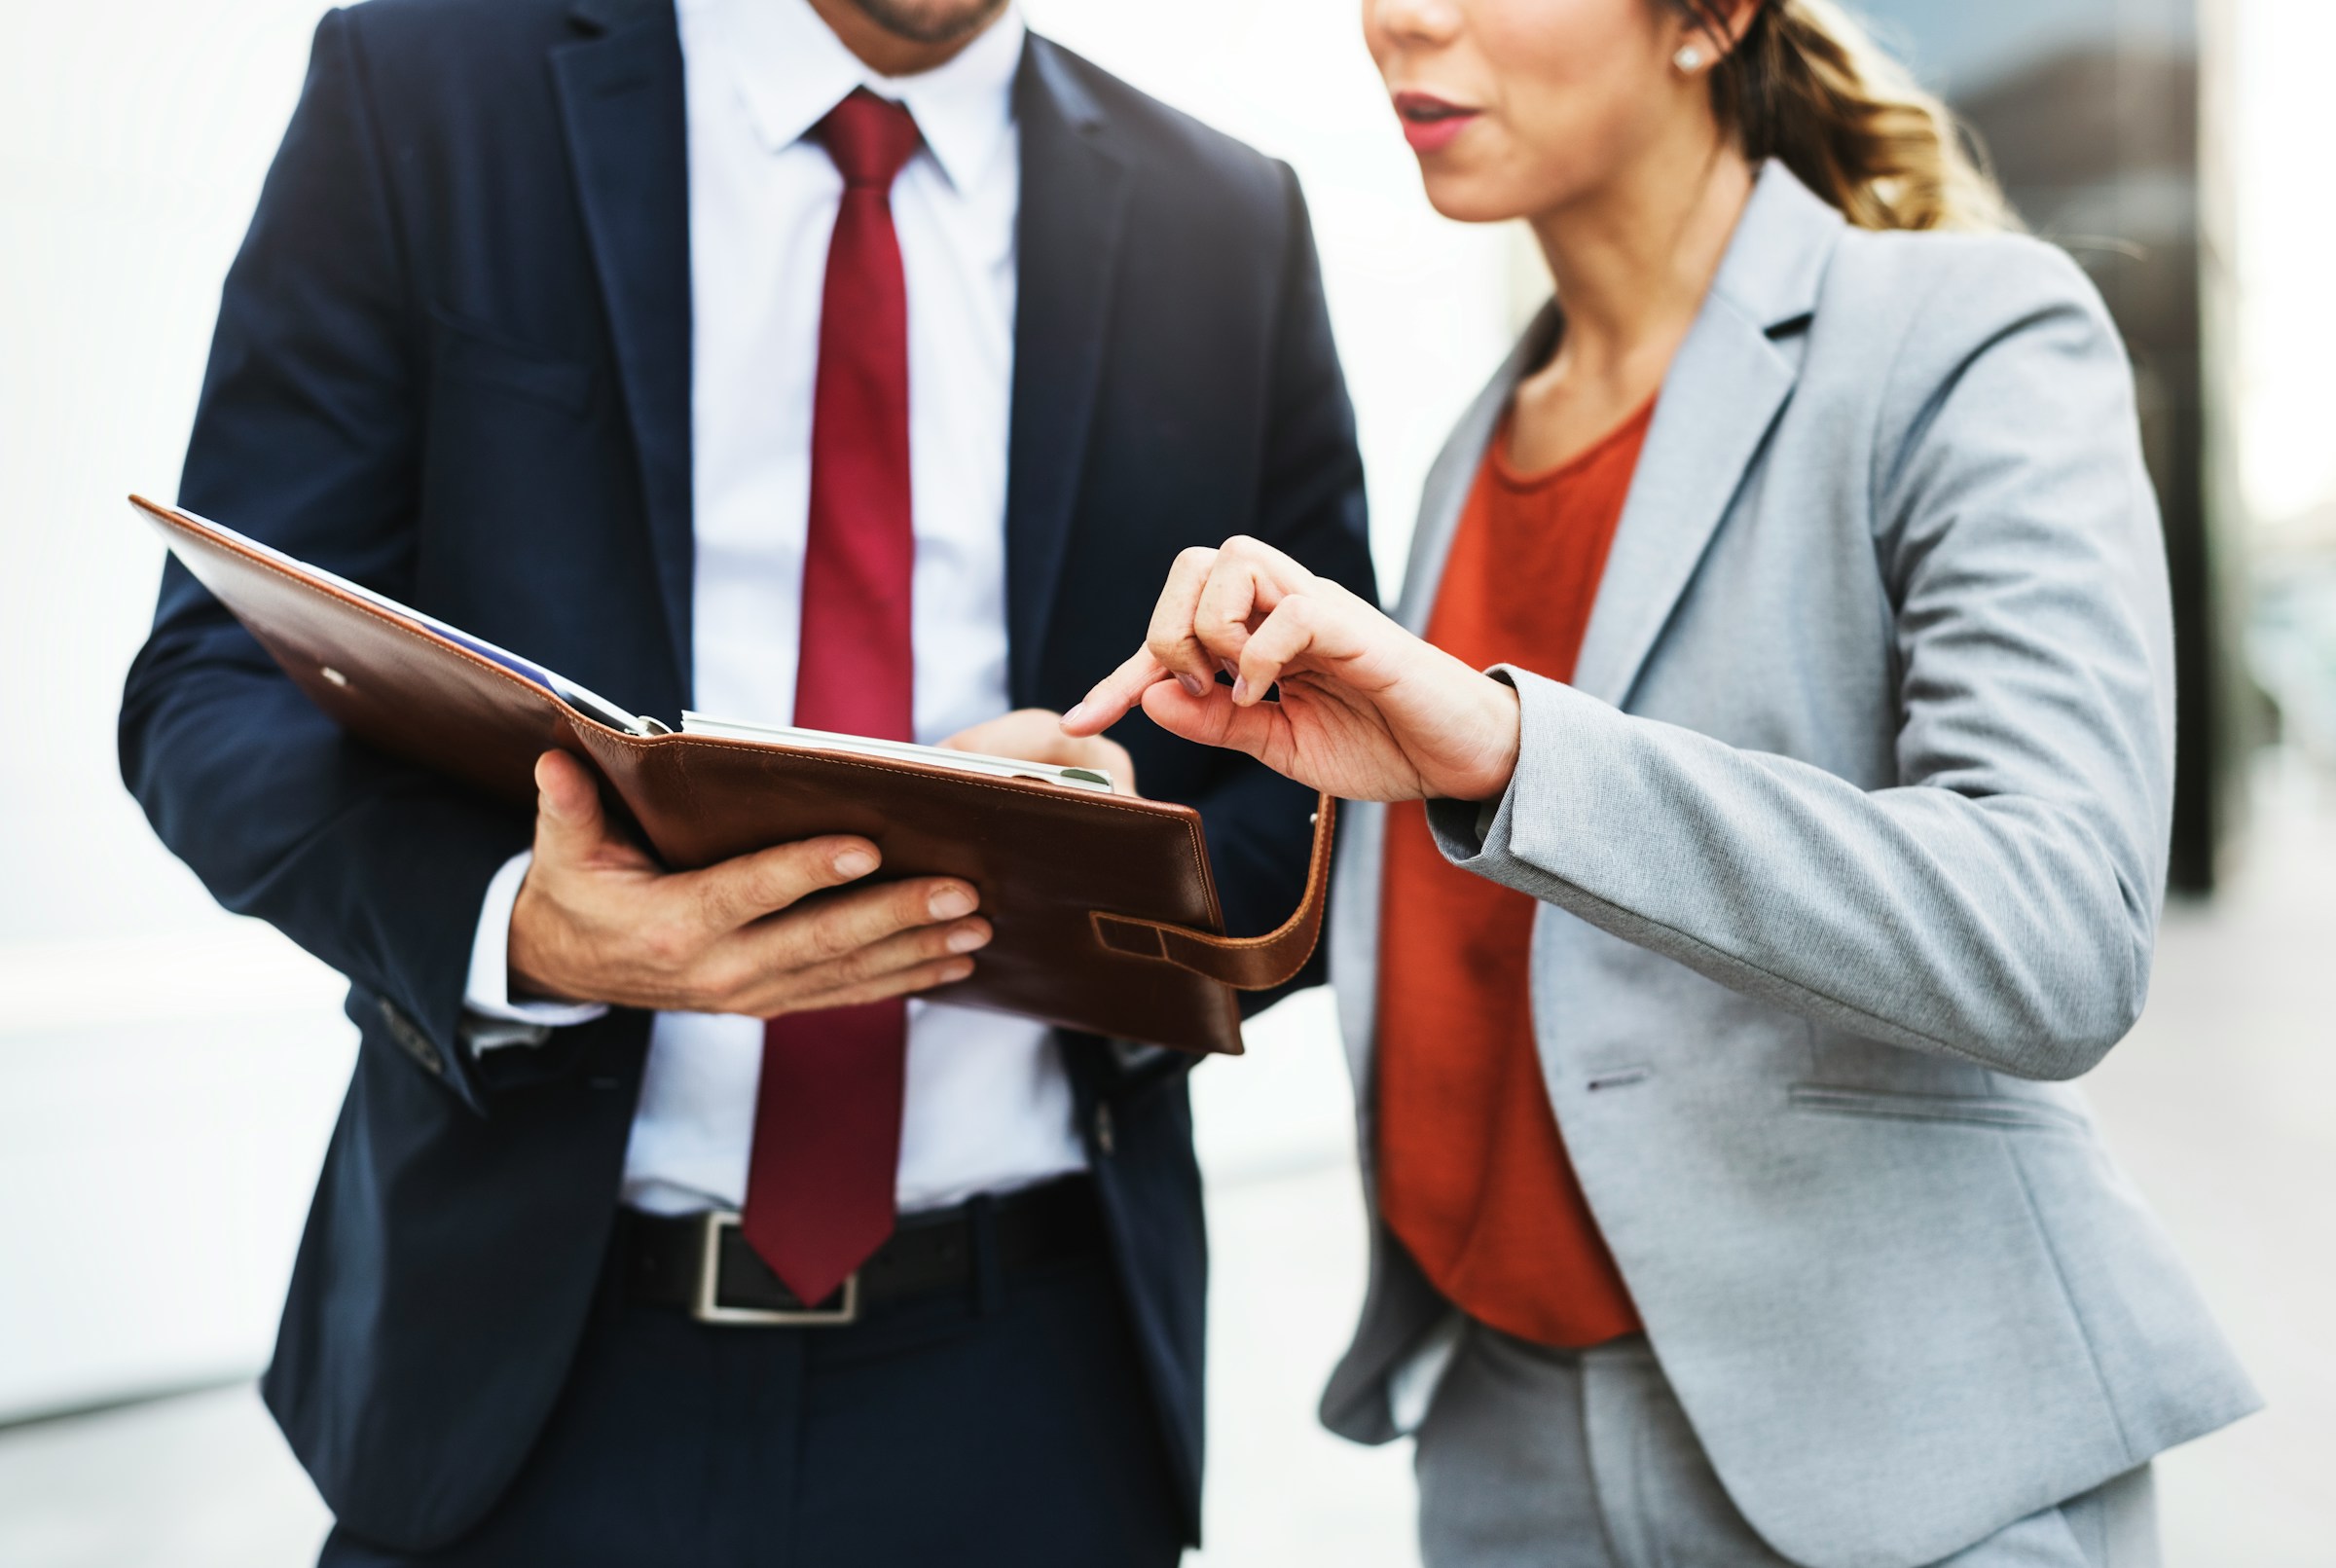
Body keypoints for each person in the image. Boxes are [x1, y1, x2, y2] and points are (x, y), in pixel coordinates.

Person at [118, 0, 1372, 1561]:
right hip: (532, 1378)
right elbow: (212, 684)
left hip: (1028, 1395)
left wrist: (1091, 861)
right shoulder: (431, 90)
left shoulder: (1224, 219)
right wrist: (520, 925)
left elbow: (1323, 817)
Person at [1066, 0, 2257, 1562]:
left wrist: (1511, 746)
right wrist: (1074, 847)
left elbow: (2062, 932)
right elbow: (1465, 943)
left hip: (1893, 1455)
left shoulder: (1968, 331)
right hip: (1501, 1443)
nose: (1403, 21)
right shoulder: (1476, 442)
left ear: (1707, 20)